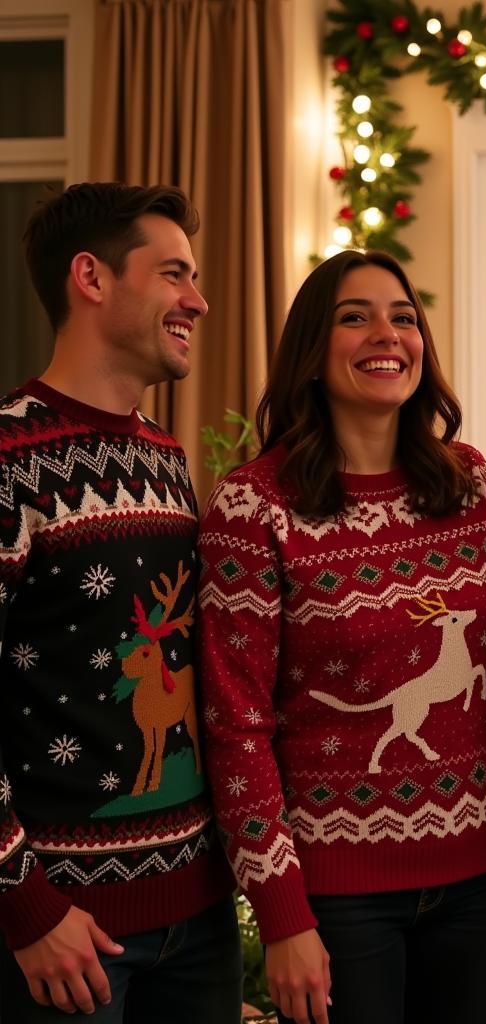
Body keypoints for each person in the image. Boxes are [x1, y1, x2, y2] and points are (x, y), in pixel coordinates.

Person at [197, 249, 486, 1024]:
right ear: (313, 349)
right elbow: (235, 723)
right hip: (336, 896)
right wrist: (281, 913)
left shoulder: (469, 483)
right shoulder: (254, 506)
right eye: (356, 316)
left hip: (483, 875)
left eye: (403, 317)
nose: (388, 333)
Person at [0, 183, 240, 1022]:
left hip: (200, 928)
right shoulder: (8, 463)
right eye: (175, 274)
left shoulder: (166, 460)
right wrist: (25, 910)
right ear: (91, 279)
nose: (198, 301)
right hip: (66, 941)